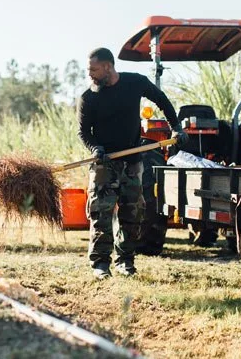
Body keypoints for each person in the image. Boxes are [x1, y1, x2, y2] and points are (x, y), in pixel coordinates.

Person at [77, 47, 188, 279]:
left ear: (108, 66)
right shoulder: (89, 98)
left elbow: (162, 100)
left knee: (132, 213)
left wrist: (175, 127)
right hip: (104, 165)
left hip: (133, 162)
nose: (90, 75)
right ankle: (100, 264)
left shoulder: (134, 83)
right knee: (101, 214)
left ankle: (125, 261)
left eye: (94, 70)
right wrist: (95, 148)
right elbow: (83, 133)